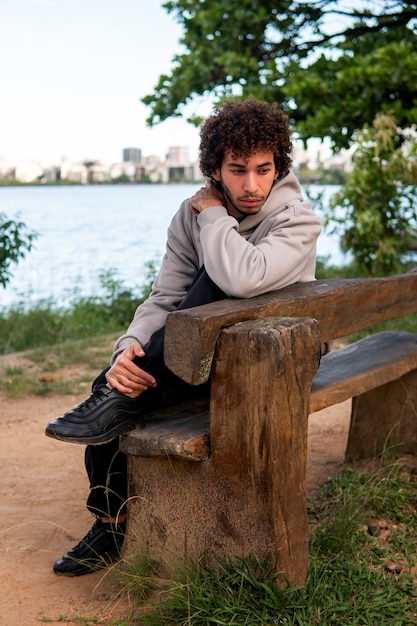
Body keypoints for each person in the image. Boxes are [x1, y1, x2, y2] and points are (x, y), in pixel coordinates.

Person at [45, 97, 322, 576]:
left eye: (263, 169)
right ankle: (111, 519)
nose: (252, 185)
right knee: (121, 377)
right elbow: (165, 296)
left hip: (273, 357)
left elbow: (241, 279)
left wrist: (215, 216)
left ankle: (118, 398)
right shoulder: (186, 215)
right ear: (214, 168)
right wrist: (128, 346)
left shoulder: (297, 219)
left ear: (279, 166)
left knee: (214, 282)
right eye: (237, 170)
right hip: (189, 358)